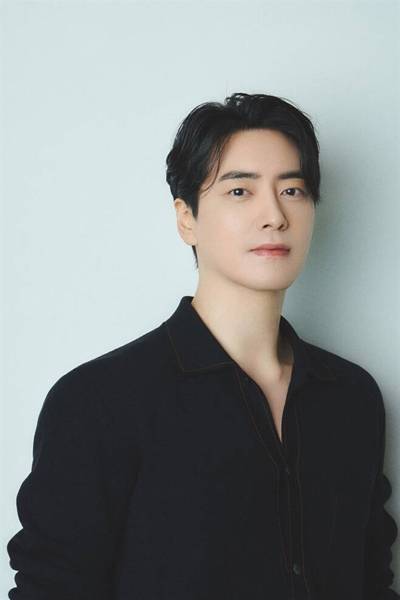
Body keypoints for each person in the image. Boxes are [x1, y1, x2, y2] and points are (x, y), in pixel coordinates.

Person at [7, 92, 399, 599]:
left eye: (293, 190)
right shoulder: (99, 402)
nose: (274, 215)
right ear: (186, 217)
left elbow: (372, 580)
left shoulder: (352, 397)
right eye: (240, 191)